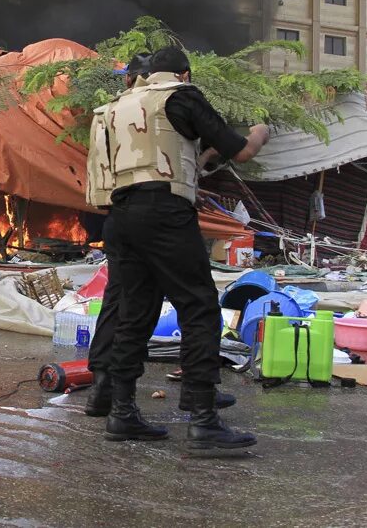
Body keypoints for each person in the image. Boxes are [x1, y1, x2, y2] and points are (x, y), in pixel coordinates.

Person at [86, 46, 269, 450]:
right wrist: (259, 132)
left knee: (135, 312)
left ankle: (121, 413)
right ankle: (203, 417)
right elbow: (241, 150)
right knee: (199, 306)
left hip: (120, 215)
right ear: (184, 73)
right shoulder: (182, 95)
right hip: (165, 214)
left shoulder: (113, 108)